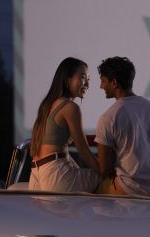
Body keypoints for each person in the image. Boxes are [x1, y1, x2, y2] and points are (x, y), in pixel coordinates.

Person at [94, 56, 150, 197]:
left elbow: (105, 170)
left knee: (92, 188)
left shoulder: (109, 117)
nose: (101, 86)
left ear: (114, 83)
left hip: (131, 191)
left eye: (103, 81)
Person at [29, 57, 101, 193]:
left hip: (36, 174)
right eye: (83, 78)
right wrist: (107, 171)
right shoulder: (70, 107)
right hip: (55, 174)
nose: (87, 85)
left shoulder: (46, 105)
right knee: (108, 179)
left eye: (88, 80)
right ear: (67, 79)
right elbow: (84, 151)